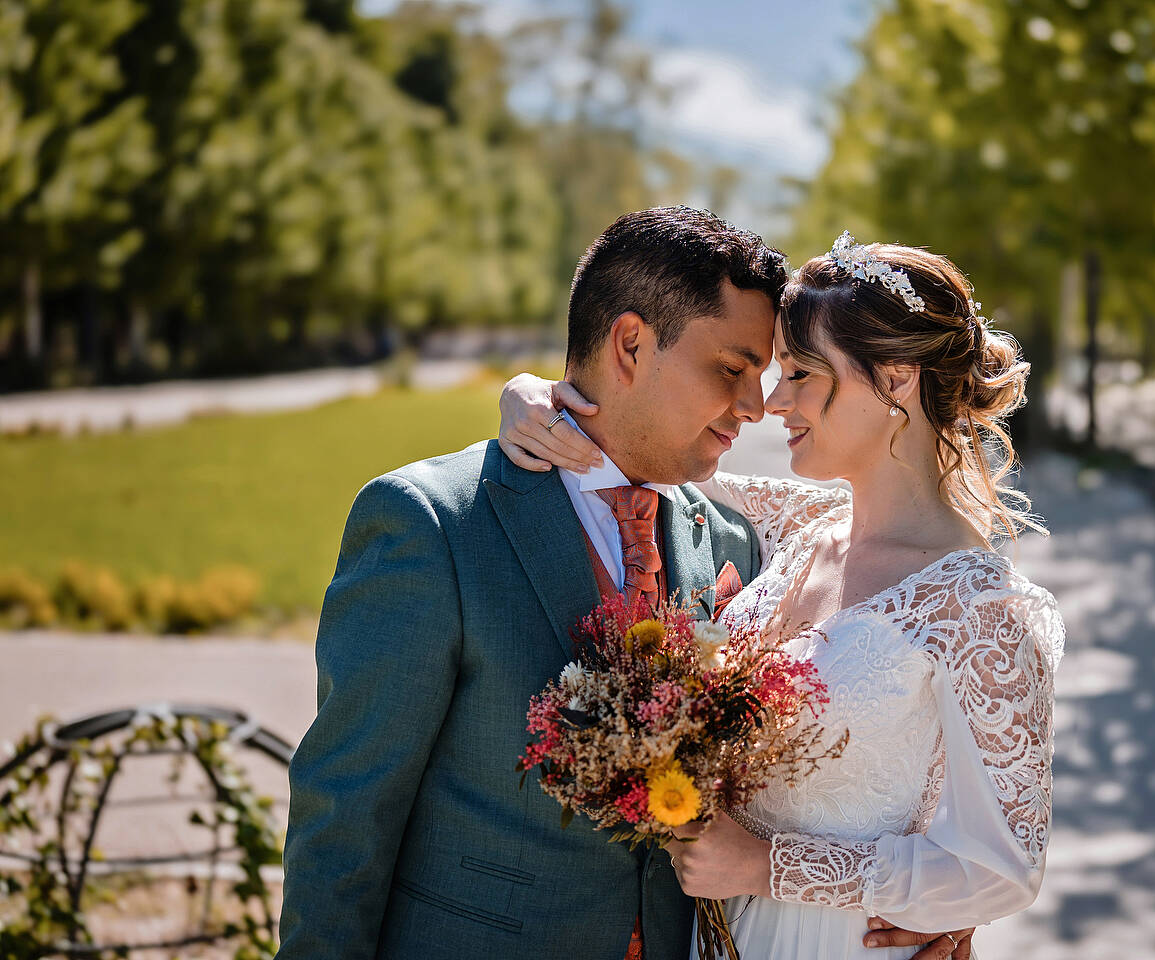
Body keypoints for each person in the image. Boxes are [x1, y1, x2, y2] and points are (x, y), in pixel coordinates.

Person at [278, 207, 973, 960]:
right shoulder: (433, 525)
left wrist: (934, 901)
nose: (754, 407)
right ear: (631, 344)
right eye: (732, 369)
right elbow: (345, 813)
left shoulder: (738, 538)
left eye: (766, 376)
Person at [499, 231, 1065, 959]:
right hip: (717, 937)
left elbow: (1004, 868)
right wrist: (533, 397)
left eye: (800, 373)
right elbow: (640, 444)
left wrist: (768, 868)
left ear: (896, 379)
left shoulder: (981, 609)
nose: (771, 402)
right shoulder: (800, 524)